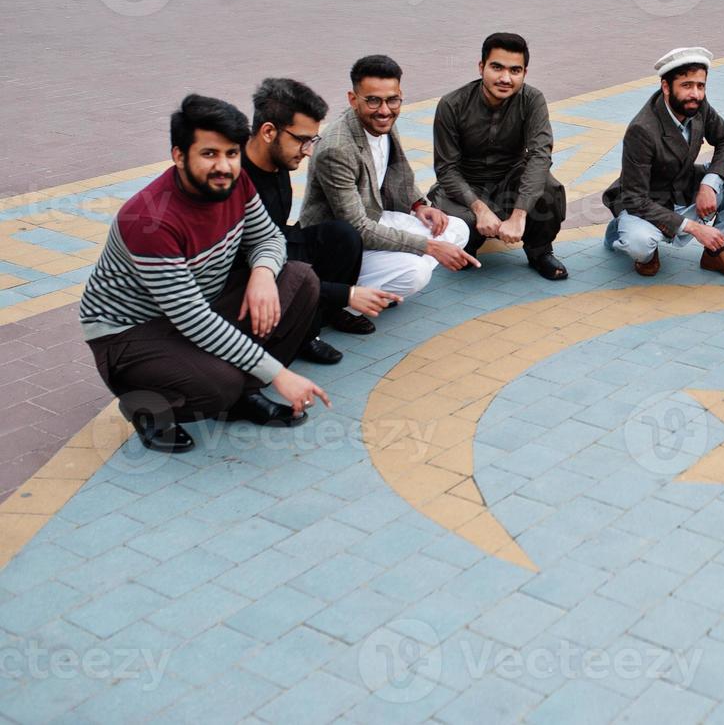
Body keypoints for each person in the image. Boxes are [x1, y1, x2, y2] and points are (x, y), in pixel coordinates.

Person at [80, 95, 328, 454]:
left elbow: (270, 237)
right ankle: (148, 406)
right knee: (218, 386)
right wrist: (278, 374)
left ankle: (242, 395)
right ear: (179, 155)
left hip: (199, 306)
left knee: (300, 282)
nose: (224, 166)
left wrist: (261, 273)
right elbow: (191, 318)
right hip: (131, 332)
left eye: (231, 153)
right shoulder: (150, 220)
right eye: (209, 154)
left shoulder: (237, 183)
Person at [243, 78, 402, 365]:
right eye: (302, 140)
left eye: (311, 140)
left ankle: (318, 319)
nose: (308, 150)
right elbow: (251, 264)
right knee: (298, 273)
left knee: (342, 235)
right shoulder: (236, 181)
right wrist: (347, 293)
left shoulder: (276, 161)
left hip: (274, 242)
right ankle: (297, 335)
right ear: (268, 132)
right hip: (250, 270)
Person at [299, 55, 478, 299]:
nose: (384, 110)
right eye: (372, 101)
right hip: (341, 244)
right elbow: (358, 229)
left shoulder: (382, 120)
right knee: (415, 273)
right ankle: (344, 299)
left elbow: (398, 169)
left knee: (457, 228)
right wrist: (430, 247)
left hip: (376, 216)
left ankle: (388, 276)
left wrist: (419, 206)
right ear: (353, 99)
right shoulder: (336, 149)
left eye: (392, 100)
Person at [603, 47, 724, 279]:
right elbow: (635, 198)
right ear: (666, 87)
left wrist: (709, 184)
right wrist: (694, 228)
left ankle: (716, 251)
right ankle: (623, 231)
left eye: (701, 85)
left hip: (685, 188)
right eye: (687, 85)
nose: (696, 94)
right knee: (639, 244)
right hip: (648, 202)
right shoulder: (642, 129)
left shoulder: (698, 105)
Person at [428, 32, 568, 280]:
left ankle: (540, 252)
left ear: (524, 73)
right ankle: (467, 247)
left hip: (510, 180)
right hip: (464, 186)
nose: (505, 78)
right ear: (481, 67)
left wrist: (519, 214)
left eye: (515, 70)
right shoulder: (451, 104)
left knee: (549, 189)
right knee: (465, 226)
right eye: (497, 67)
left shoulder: (532, 99)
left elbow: (540, 156)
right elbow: (446, 169)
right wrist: (480, 209)